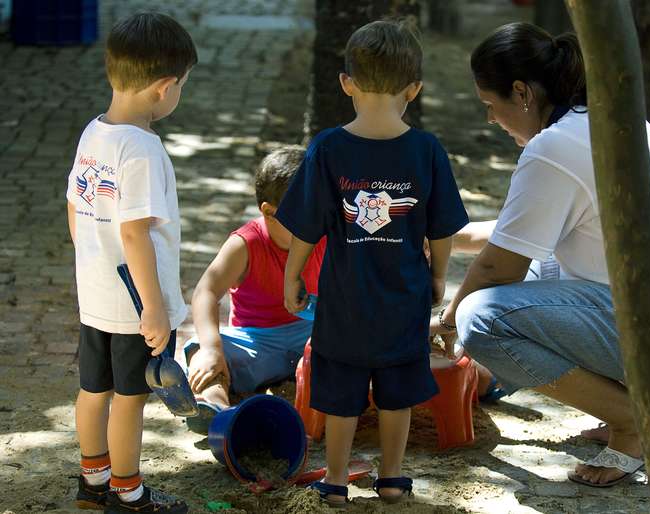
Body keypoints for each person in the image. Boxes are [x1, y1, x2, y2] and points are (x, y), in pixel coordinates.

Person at [431, 22, 650, 488]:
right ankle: (501, 376)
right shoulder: (597, 120)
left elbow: (501, 265)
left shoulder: (553, 148)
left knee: (481, 319)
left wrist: (447, 320)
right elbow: (519, 235)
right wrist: (441, 237)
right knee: (540, 268)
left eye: (490, 106)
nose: (490, 121)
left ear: (520, 93)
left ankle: (634, 422)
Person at [276, 20, 469, 506]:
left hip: (343, 297)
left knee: (339, 393)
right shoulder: (425, 150)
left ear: (346, 83)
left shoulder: (328, 147)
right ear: (414, 89)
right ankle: (391, 478)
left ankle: (336, 481)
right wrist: (439, 276)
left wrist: (292, 273)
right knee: (397, 393)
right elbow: (442, 228)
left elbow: (307, 225)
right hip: (404, 295)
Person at [65, 12, 196, 513]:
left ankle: (92, 483)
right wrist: (156, 309)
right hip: (132, 305)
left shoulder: (93, 132)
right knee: (129, 399)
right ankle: (128, 492)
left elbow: (76, 207)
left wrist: (90, 263)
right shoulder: (142, 149)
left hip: (95, 294)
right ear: (164, 88)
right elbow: (134, 232)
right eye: (182, 85)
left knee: (91, 391)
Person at [183, 147, 326, 433]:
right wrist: (213, 349)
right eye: (303, 215)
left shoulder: (323, 234)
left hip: (312, 334)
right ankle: (218, 410)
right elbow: (206, 292)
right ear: (269, 212)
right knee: (199, 352)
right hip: (256, 341)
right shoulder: (246, 243)